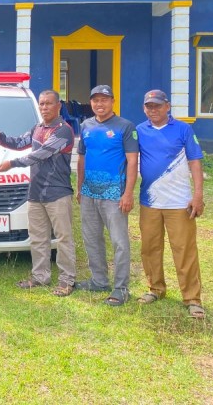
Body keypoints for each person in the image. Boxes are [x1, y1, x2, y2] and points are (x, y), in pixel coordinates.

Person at [0, 89, 77, 297]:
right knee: (38, 237)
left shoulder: (63, 131)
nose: (44, 107)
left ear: (58, 105)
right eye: (42, 104)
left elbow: (40, 155)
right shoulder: (37, 127)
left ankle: (66, 280)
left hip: (58, 193)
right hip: (35, 192)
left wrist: (12, 164)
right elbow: (18, 143)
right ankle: (40, 276)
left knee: (63, 238)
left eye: (48, 103)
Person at [136, 89, 206, 319]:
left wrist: (198, 196)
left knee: (184, 250)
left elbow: (195, 162)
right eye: (149, 106)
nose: (153, 110)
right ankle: (155, 289)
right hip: (150, 202)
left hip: (179, 202)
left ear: (168, 106)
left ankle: (192, 298)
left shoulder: (183, 129)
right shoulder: (139, 131)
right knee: (149, 248)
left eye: (157, 106)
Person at [75, 85, 138, 306]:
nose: (99, 104)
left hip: (114, 194)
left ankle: (121, 288)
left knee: (119, 241)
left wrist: (128, 193)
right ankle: (99, 280)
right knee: (91, 238)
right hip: (89, 193)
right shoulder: (86, 126)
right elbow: (81, 158)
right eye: (95, 100)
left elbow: (132, 161)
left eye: (104, 100)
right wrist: (79, 186)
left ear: (112, 101)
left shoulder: (125, 127)